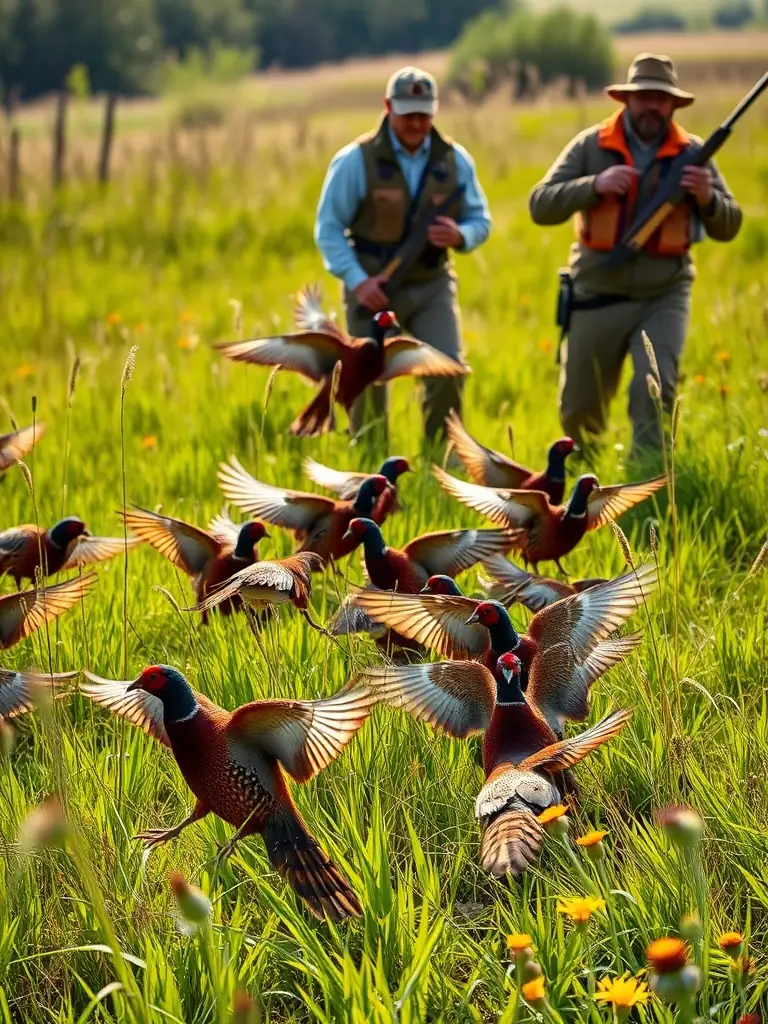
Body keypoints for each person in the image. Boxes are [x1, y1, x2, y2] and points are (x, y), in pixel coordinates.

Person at [529, 53, 742, 458]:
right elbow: (540, 204)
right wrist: (594, 185)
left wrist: (706, 197)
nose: (653, 106)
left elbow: (730, 225)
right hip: (596, 289)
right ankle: (583, 491)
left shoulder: (695, 153)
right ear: (626, 99)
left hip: (663, 293)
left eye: (662, 99)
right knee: (579, 413)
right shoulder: (591, 146)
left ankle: (648, 484)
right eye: (644, 96)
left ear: (674, 105)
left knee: (655, 391)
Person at [314, 66, 492, 445]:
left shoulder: (455, 160)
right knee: (367, 389)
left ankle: (440, 462)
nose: (416, 122)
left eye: (423, 114)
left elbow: (481, 219)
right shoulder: (353, 161)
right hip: (372, 287)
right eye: (407, 113)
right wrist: (358, 281)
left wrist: (461, 234)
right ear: (387, 106)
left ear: (435, 110)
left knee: (449, 370)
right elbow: (328, 228)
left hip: (432, 285)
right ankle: (370, 472)